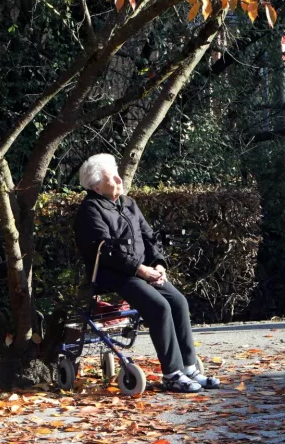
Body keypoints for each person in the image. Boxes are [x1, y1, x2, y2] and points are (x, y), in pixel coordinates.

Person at [73, 154, 220, 393]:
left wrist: (158, 264)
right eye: (113, 176)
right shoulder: (90, 210)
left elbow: (149, 237)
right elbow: (106, 250)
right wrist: (141, 270)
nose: (119, 179)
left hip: (142, 270)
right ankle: (172, 374)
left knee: (179, 302)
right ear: (96, 186)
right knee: (159, 307)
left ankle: (189, 368)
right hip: (114, 274)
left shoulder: (128, 203)